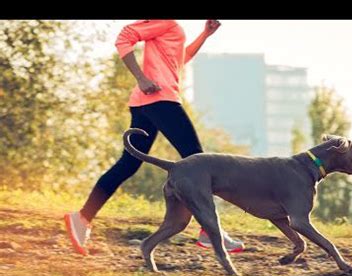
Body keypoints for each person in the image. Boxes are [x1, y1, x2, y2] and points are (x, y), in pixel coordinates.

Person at [64, 20, 245, 256]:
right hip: (160, 100)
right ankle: (210, 232)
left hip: (147, 102)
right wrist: (140, 78)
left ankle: (82, 218)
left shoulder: (171, 27)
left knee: (128, 164)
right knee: (199, 162)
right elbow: (124, 37)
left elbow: (180, 60)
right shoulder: (165, 21)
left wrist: (205, 35)